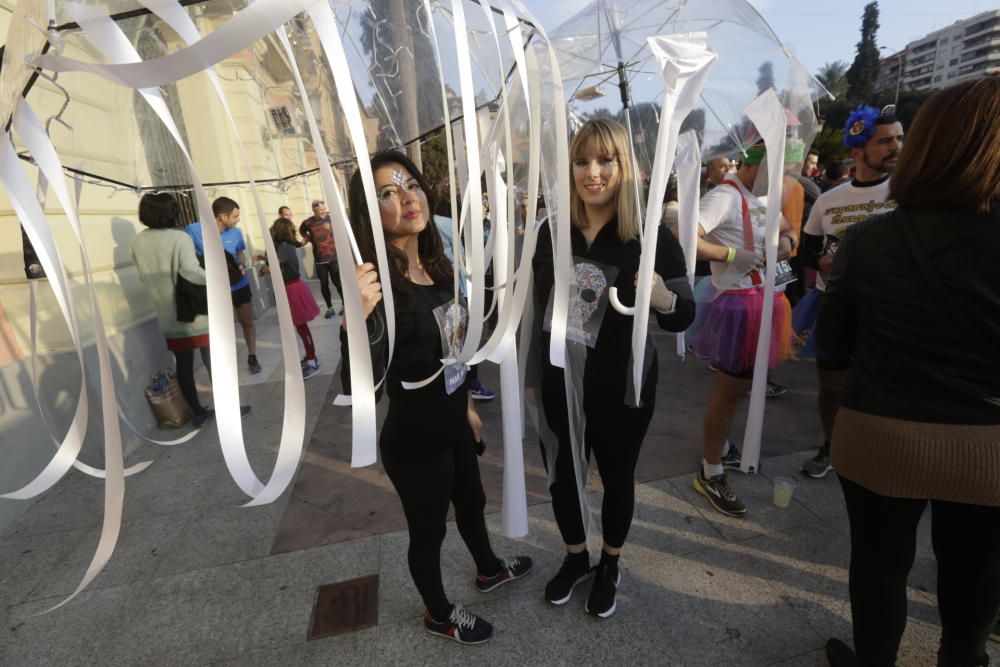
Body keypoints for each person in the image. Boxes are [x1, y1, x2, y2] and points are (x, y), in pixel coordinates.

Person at [819, 76, 1000, 667]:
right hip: (988, 449)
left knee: (878, 565)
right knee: (975, 569)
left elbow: (834, 352)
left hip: (880, 434)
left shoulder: (868, 243)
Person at [341, 151, 531, 645]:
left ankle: (488, 569)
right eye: (387, 192)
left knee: (472, 503)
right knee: (430, 533)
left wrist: (467, 404)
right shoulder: (375, 285)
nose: (407, 198)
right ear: (369, 212)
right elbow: (360, 388)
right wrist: (355, 322)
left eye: (412, 184)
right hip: (415, 440)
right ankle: (438, 611)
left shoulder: (439, 267)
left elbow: (455, 351)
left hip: (453, 422)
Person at [533, 118, 695, 617]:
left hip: (623, 385)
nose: (592, 172)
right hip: (561, 378)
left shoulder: (649, 236)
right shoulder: (550, 232)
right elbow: (531, 306)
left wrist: (665, 299)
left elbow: (685, 314)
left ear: (625, 166)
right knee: (564, 475)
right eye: (581, 161)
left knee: (618, 476)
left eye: (606, 160)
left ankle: (610, 562)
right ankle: (576, 557)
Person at [688, 141, 796, 517]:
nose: (779, 177)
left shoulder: (761, 194)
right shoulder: (726, 196)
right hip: (739, 307)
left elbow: (786, 226)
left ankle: (725, 449)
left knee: (745, 388)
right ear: (751, 164)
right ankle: (710, 469)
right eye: (774, 168)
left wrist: (788, 241)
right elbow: (685, 236)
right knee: (729, 394)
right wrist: (732, 254)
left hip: (767, 302)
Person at [795, 106, 903, 479]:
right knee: (831, 385)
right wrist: (821, 262)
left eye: (900, 138)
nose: (897, 146)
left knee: (883, 384)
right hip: (835, 305)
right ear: (858, 151)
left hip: (889, 309)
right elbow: (806, 250)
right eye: (886, 140)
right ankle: (832, 444)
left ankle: (880, 451)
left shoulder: (908, 193)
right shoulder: (829, 200)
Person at [130, 193, 250, 426]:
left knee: (183, 365)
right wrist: (220, 277)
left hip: (166, 314)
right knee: (214, 362)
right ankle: (230, 409)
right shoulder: (179, 238)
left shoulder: (137, 242)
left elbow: (144, 277)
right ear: (170, 212)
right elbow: (191, 272)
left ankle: (197, 412)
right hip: (195, 312)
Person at [185, 197, 261, 374]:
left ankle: (252, 356)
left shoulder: (236, 232)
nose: (238, 219)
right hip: (215, 290)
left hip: (239, 285)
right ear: (222, 216)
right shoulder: (194, 230)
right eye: (235, 216)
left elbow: (240, 253)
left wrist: (241, 264)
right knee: (221, 327)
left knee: (247, 321)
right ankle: (225, 363)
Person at [269, 219, 321, 379]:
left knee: (302, 327)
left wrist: (266, 266)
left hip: (292, 289)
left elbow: (277, 265)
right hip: (291, 287)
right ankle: (310, 356)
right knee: (300, 327)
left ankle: (312, 361)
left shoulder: (284, 247)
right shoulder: (286, 247)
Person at [299, 200, 343, 319]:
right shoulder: (308, 222)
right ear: (314, 211)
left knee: (337, 282)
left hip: (334, 257)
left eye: (324, 209)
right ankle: (330, 308)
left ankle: (345, 305)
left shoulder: (331, 217)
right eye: (320, 211)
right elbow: (302, 230)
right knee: (324, 284)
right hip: (319, 259)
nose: (323, 212)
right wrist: (307, 237)